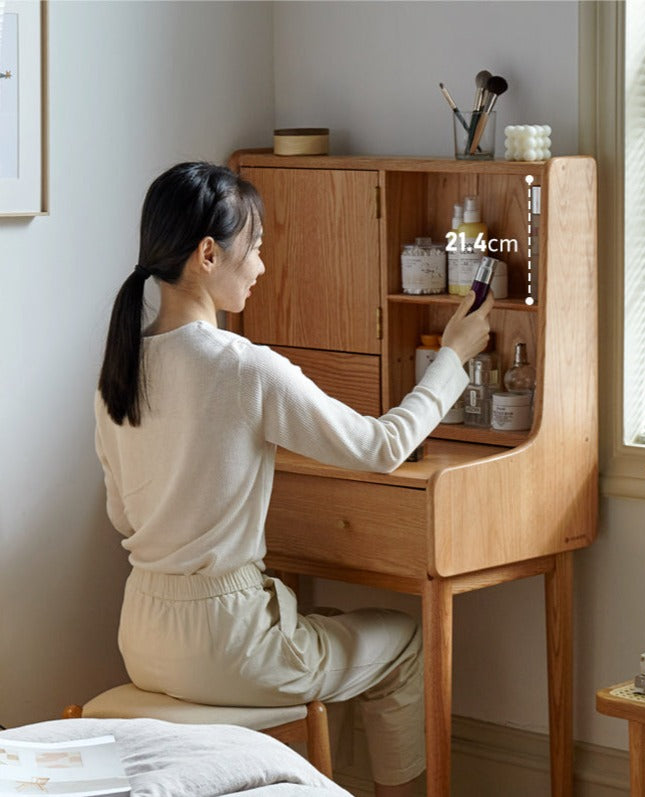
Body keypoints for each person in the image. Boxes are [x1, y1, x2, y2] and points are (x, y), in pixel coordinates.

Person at [94, 161, 492, 797]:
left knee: (328, 620)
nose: (259, 266)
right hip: (227, 651)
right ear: (207, 254)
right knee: (407, 638)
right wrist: (454, 356)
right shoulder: (244, 368)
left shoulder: (119, 368)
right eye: (253, 248)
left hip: (142, 634)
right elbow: (381, 446)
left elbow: (124, 516)